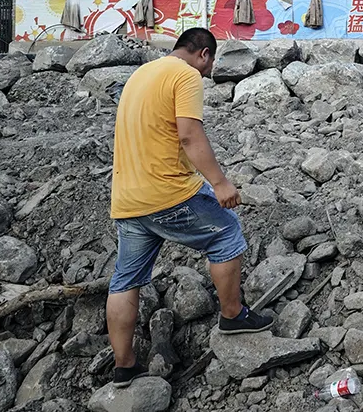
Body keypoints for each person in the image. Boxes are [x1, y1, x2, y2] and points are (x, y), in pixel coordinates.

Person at [105, 27, 271, 387]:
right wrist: (220, 182)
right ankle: (232, 315)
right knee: (226, 232)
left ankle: (124, 367)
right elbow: (189, 134)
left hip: (128, 199)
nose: (208, 73)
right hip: (166, 193)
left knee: (125, 280)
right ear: (204, 55)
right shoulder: (186, 74)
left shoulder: (142, 74)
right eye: (209, 65)